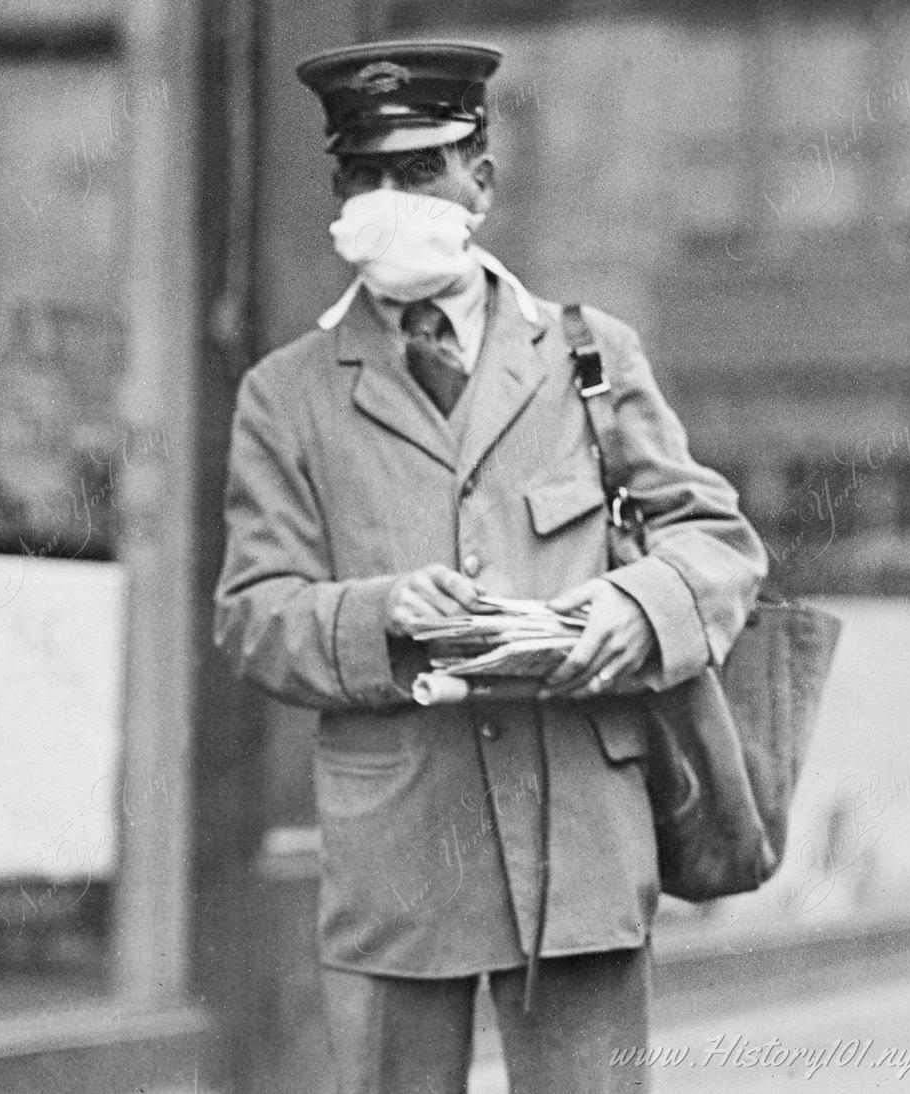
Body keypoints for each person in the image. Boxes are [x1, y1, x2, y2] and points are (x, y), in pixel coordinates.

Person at [215, 38, 767, 1094]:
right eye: (365, 177)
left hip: (579, 836)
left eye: (418, 170)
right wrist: (382, 612)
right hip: (401, 850)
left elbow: (717, 538)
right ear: (336, 193)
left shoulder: (587, 354)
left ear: (480, 178)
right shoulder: (286, 395)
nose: (392, 202)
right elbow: (253, 614)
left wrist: (637, 607)